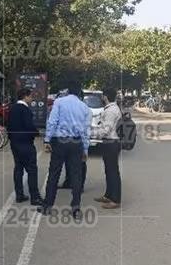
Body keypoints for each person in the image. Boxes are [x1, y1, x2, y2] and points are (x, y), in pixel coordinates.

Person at [38, 80, 92, 220]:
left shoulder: (59, 102)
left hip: (60, 142)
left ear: (68, 91)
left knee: (54, 173)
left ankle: (47, 206)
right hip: (76, 143)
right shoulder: (85, 108)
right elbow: (86, 131)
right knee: (76, 176)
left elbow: (52, 121)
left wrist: (47, 139)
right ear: (80, 94)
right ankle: (76, 208)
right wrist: (85, 149)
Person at [7, 88, 42, 206]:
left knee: (18, 169)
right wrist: (37, 133)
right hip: (25, 144)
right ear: (25, 96)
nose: (32, 99)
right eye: (31, 96)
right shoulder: (25, 109)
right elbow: (29, 126)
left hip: (14, 143)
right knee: (32, 170)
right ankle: (35, 197)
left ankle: (19, 194)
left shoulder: (12, 108)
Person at [92, 88, 123, 209]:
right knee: (109, 170)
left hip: (111, 142)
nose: (101, 98)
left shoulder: (110, 111)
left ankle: (115, 200)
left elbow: (106, 130)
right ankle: (108, 195)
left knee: (113, 172)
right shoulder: (113, 108)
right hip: (110, 143)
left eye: (102, 96)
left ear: (105, 97)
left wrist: (92, 132)